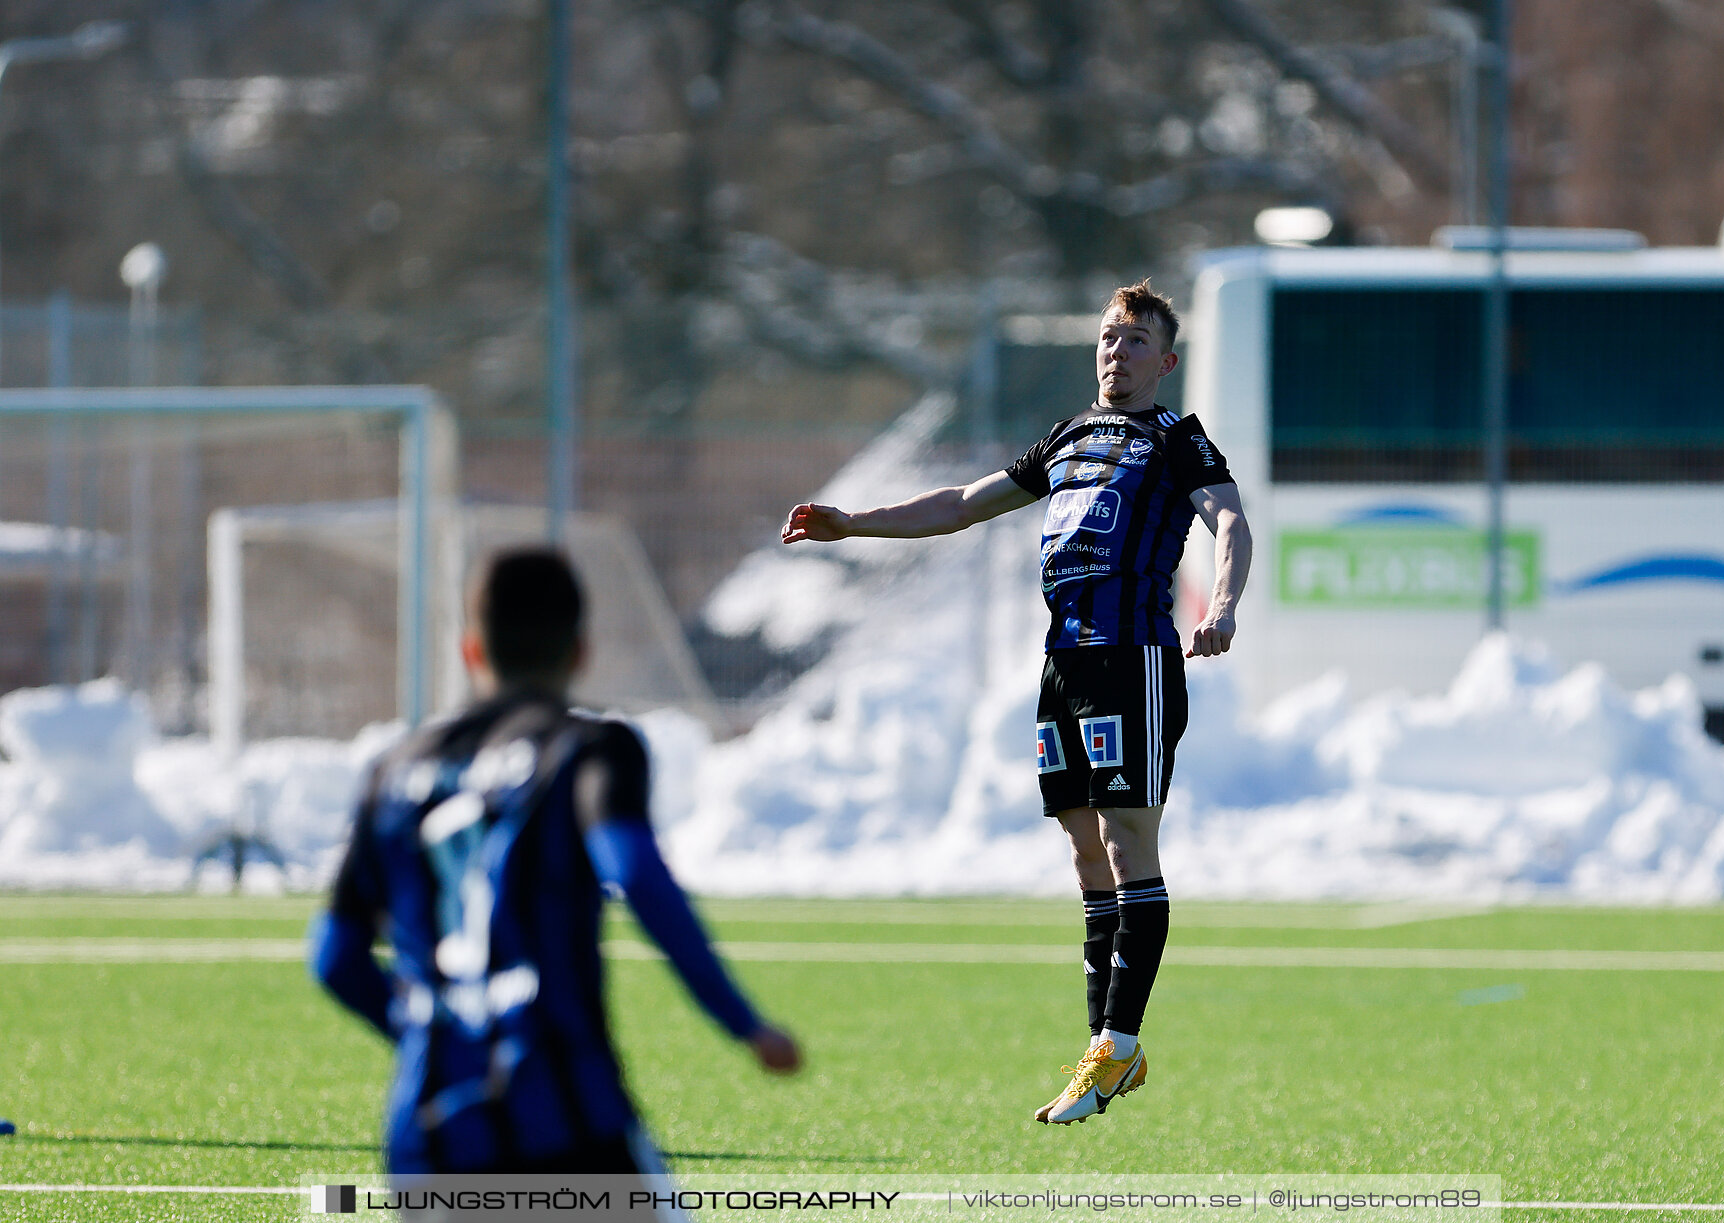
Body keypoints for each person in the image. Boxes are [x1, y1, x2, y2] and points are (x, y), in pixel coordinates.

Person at [782, 279, 1251, 1126]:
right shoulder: (1067, 439)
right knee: (1084, 852)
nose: (1119, 350)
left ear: (1166, 361)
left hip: (1133, 657)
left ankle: (1119, 1041)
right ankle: (1103, 1054)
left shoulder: (1177, 439)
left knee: (1126, 835)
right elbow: (961, 504)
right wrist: (852, 523)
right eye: (1111, 336)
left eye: (1138, 340)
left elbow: (1230, 520)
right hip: (1064, 662)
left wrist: (1219, 607)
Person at [309, 547, 800, 1178]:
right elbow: (636, 872)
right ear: (580, 651)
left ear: (471, 651)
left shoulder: (395, 771)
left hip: (424, 1138)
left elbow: (333, 961)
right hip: (563, 1115)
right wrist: (744, 1024)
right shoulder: (587, 748)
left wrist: (438, 1037)